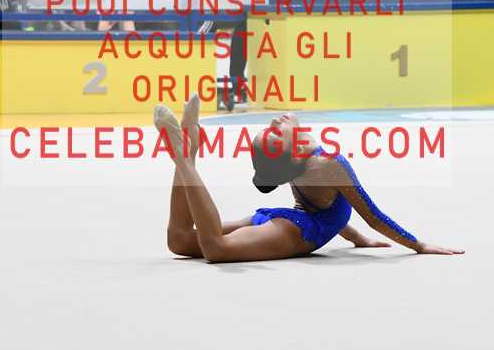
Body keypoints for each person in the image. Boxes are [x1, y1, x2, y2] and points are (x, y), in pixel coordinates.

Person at [155, 97, 464, 263]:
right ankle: (183, 158)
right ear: (293, 152)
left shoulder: (304, 166)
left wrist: (357, 240)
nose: (274, 120)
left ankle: (189, 152)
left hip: (286, 221)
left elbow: (325, 206)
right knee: (215, 248)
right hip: (296, 230)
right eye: (275, 133)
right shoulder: (328, 164)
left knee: (179, 240)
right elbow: (372, 215)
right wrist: (418, 244)